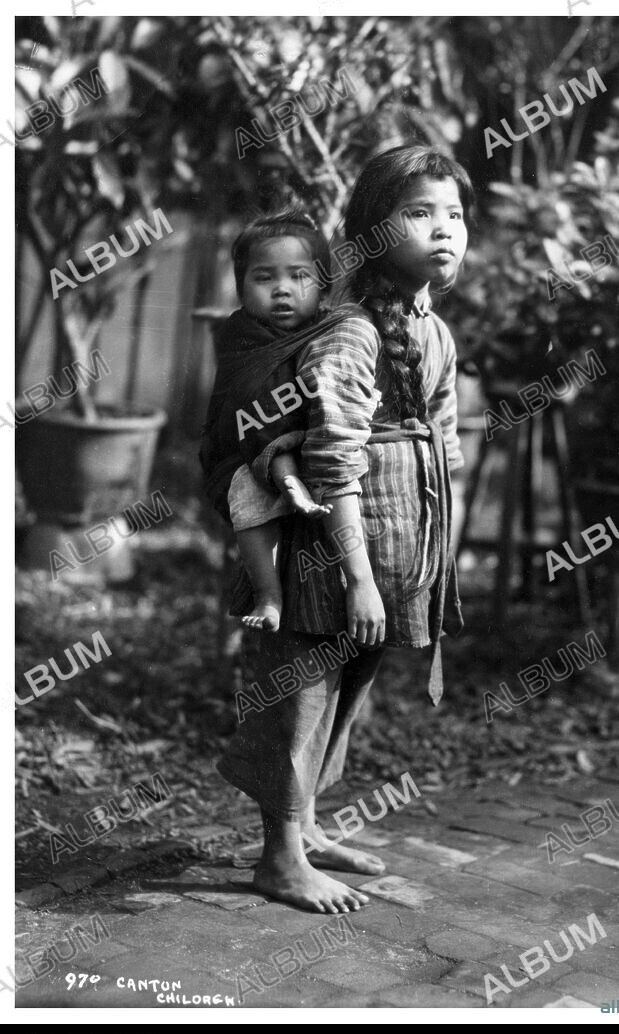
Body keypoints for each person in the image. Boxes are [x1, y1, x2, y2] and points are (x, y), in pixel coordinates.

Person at [217, 145, 473, 914]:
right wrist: (356, 573)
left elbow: (447, 450)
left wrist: (433, 562)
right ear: (371, 228)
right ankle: (278, 855)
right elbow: (333, 461)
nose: (443, 230)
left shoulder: (435, 333)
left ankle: (310, 825)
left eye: (454, 215)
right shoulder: (349, 331)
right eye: (418, 213)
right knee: (300, 689)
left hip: (401, 548)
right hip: (326, 549)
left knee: (349, 687)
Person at [200, 209, 352, 632]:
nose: (282, 290)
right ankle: (268, 595)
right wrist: (283, 472)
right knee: (247, 492)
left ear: (323, 285)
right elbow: (246, 413)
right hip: (246, 452)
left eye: (299, 276)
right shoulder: (242, 336)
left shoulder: (333, 332)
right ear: (241, 287)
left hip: (314, 444)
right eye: (264, 278)